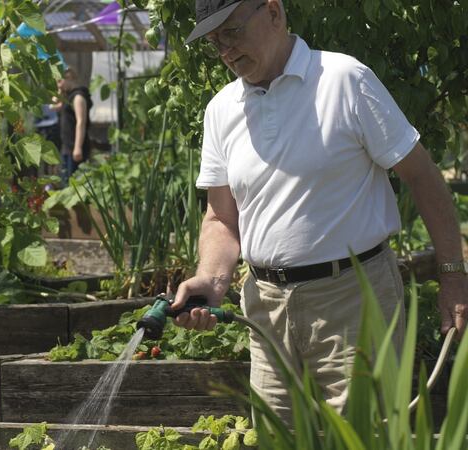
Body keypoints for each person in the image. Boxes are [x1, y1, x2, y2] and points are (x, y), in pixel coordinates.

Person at [171, 0, 468, 423]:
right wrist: (211, 279)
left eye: (232, 32)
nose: (226, 51)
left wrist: (453, 275)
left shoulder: (345, 80)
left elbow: (423, 176)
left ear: (273, 13)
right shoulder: (222, 109)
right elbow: (221, 218)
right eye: (215, 42)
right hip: (267, 309)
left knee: (366, 436)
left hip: (352, 301)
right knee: (278, 438)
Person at [55, 67, 92, 185]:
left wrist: (78, 147)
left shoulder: (78, 97)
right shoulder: (68, 97)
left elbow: (81, 122)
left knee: (74, 185)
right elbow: (53, 105)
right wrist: (60, 90)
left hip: (74, 148)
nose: (58, 85)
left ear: (69, 78)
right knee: (66, 183)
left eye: (59, 81)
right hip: (67, 147)